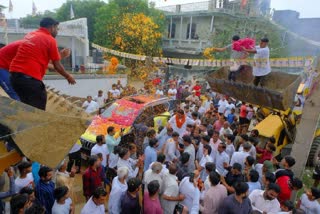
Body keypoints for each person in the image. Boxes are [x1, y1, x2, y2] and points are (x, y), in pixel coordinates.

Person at [9, 17, 76, 110]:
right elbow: (56, 65)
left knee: (27, 106)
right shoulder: (50, 39)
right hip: (29, 78)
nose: (57, 31)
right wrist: (68, 76)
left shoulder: (30, 35)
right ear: (52, 27)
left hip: (14, 77)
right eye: (57, 29)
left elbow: (42, 60)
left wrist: (61, 56)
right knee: (38, 107)